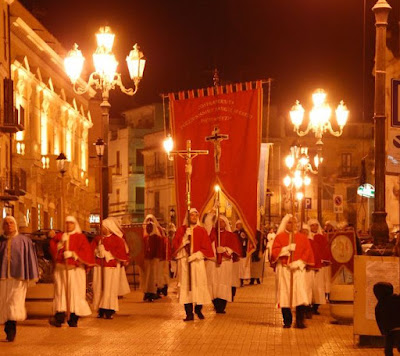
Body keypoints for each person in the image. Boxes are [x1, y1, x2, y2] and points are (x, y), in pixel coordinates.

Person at [49, 216, 94, 327]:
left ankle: (73, 318)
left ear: (75, 224)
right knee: (61, 293)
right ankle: (59, 317)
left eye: (71, 223)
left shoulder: (80, 237)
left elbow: (86, 253)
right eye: (67, 223)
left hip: (75, 271)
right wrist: (59, 245)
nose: (68, 225)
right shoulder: (61, 236)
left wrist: (74, 255)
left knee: (75, 293)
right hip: (62, 270)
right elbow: (52, 248)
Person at [271, 214, 314, 329]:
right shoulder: (279, 237)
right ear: (285, 223)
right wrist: (286, 249)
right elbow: (274, 252)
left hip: (297, 271)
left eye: (294, 222)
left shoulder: (302, 238)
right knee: (285, 295)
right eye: (290, 222)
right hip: (284, 270)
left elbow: (307, 252)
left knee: (299, 295)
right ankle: (287, 320)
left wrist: (299, 262)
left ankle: (300, 321)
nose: (292, 225)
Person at [0, 216, 39, 342]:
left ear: (15, 225)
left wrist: (31, 275)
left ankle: (11, 328)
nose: (9, 225)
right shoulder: (1, 241)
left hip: (18, 278)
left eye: (11, 223)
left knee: (14, 302)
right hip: (3, 278)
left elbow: (30, 259)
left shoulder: (24, 241)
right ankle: (7, 326)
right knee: (4, 302)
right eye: (6, 223)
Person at [172, 208, 214, 321]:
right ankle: (189, 313)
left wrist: (196, 255)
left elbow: (207, 248)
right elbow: (175, 245)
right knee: (187, 288)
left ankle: (198, 309)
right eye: (192, 215)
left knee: (199, 285)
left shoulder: (202, 231)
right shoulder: (182, 230)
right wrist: (185, 238)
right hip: (185, 263)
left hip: (197, 262)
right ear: (188, 217)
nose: (194, 217)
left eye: (196, 215)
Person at [92, 217, 130, 319]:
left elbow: (120, 254)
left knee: (109, 288)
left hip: (110, 268)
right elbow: (92, 251)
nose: (101, 229)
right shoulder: (98, 239)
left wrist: (107, 253)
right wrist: (97, 251)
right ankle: (100, 309)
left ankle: (109, 309)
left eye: (103, 227)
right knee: (99, 287)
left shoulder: (117, 239)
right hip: (99, 267)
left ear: (108, 228)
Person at [205, 213, 241, 313]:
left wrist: (225, 249)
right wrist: (212, 211)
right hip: (213, 262)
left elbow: (234, 248)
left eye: (222, 222)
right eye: (218, 221)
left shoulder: (230, 235)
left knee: (223, 283)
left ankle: (222, 305)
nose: (220, 223)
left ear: (226, 224)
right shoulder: (212, 233)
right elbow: (207, 222)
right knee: (213, 283)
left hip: (225, 263)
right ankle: (216, 304)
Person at [308, 219, 330, 315]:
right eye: (312, 225)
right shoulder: (307, 238)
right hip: (309, 266)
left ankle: (316, 306)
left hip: (319, 266)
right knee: (309, 286)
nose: (314, 227)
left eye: (316, 225)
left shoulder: (321, 237)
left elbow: (325, 249)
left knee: (318, 287)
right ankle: (307, 305)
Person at [142, 214, 163, 302]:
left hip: (154, 259)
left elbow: (159, 247)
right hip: (146, 259)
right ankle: (146, 292)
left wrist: (156, 256)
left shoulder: (157, 237)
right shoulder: (144, 236)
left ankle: (153, 291)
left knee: (153, 276)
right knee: (146, 277)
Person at [233, 220, 251, 287]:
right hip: (236, 252)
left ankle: (241, 280)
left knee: (242, 268)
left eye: (240, 224)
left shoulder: (244, 233)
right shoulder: (234, 232)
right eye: (238, 224)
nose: (238, 226)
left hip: (242, 252)